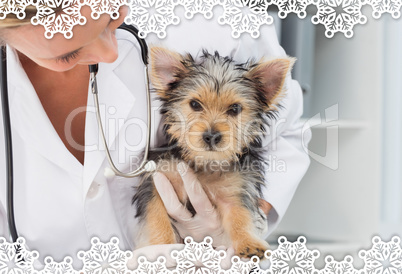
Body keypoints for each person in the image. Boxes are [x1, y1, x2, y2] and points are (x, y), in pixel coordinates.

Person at [0, 3, 311, 269]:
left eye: (113, 16)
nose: (109, 54)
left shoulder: (212, 18)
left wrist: (241, 216)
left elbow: (287, 131)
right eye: (69, 53)